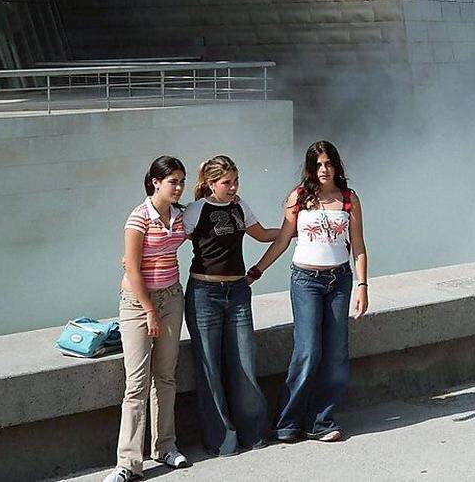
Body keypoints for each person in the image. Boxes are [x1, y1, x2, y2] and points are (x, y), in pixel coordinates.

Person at [248, 140, 368, 443]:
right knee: (308, 351)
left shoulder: (349, 199)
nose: (324, 170)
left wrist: (362, 286)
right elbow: (283, 239)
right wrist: (257, 270)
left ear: (337, 166)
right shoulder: (299, 197)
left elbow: (359, 247)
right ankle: (287, 422)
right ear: (310, 168)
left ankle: (320, 421)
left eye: (328, 164)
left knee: (337, 354)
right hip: (306, 281)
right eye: (318, 165)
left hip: (339, 281)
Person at [183, 155, 280, 455]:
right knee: (209, 367)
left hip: (238, 292)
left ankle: (253, 433)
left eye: (236, 181)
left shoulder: (240, 206)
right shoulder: (197, 209)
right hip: (204, 294)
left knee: (245, 364)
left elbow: (262, 235)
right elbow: (172, 239)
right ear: (211, 184)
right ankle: (222, 440)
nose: (233, 187)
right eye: (227, 183)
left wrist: (294, 228)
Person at [104, 156, 191, 482]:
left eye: (182, 181)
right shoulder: (138, 218)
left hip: (171, 296)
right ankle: (127, 463)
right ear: (155, 182)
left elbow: (208, 222)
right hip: (139, 303)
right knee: (137, 382)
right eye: (173, 182)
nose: (179, 187)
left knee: (166, 375)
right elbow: (131, 267)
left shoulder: (181, 215)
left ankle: (165, 446)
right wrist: (149, 311)